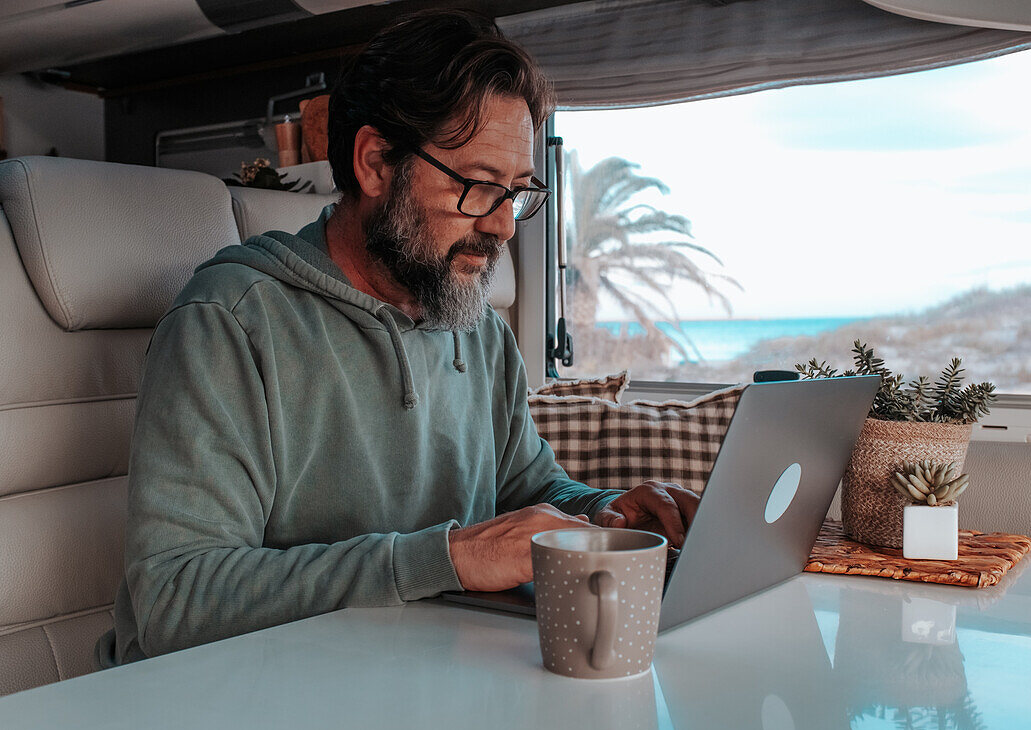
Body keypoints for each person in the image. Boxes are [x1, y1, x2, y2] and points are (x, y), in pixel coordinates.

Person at [95, 9, 698, 667]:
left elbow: (529, 488)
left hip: (420, 678)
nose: (502, 226)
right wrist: (449, 557)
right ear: (376, 162)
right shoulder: (230, 325)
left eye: (518, 194)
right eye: (477, 187)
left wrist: (608, 518)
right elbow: (173, 601)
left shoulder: (479, 330)